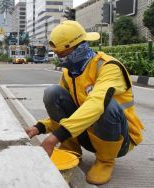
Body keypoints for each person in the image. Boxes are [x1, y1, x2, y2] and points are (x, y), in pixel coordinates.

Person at [25, 20, 144, 185]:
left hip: (119, 137)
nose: (61, 59)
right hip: (87, 132)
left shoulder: (108, 67)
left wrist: (54, 138)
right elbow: (71, 113)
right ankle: (71, 150)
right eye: (58, 54)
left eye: (63, 54)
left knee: (106, 105)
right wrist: (39, 128)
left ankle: (105, 161)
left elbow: (96, 104)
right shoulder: (70, 74)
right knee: (52, 93)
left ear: (80, 46)